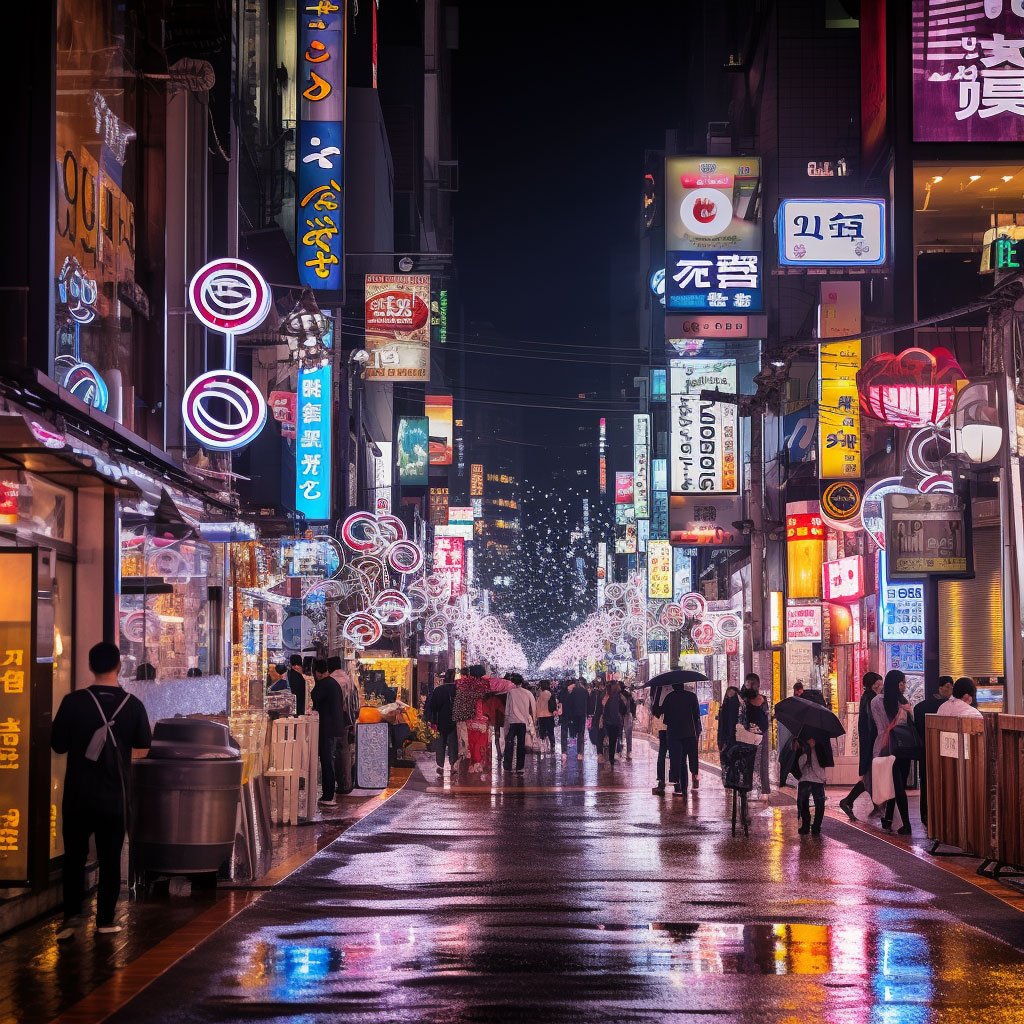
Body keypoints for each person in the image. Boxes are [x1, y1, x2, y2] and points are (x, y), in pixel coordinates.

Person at [51, 642, 152, 941]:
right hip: (115, 796)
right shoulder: (132, 705)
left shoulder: (73, 702)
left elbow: (58, 745)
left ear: (90, 666)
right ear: (119, 667)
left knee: (74, 857)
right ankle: (106, 920)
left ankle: (70, 920)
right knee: (109, 858)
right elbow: (143, 748)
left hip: (78, 795)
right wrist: (118, 754)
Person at [871, 669, 913, 835]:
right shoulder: (903, 702)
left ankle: (900, 823)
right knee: (898, 785)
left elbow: (879, 726)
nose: (904, 685)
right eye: (901, 682)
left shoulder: (876, 702)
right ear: (895, 683)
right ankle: (896, 821)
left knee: (896, 785)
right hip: (903, 747)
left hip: (886, 746)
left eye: (904, 682)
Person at [839, 672, 883, 820]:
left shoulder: (867, 697)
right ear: (874, 684)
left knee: (871, 776)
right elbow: (872, 723)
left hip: (869, 741)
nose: (881, 685)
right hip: (872, 742)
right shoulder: (871, 698)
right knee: (870, 776)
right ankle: (851, 802)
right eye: (879, 682)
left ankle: (851, 802)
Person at [914, 675, 953, 825]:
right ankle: (943, 813)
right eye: (948, 687)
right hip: (944, 751)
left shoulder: (919, 707)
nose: (950, 690)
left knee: (925, 781)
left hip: (925, 750)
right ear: (941, 688)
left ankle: (925, 813)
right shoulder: (948, 706)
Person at [311, 660, 345, 806]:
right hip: (334, 728)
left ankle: (328, 795)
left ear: (319, 673)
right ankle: (328, 793)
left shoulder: (325, 684)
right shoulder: (333, 683)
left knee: (327, 761)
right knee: (328, 760)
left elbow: (315, 696)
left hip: (327, 728)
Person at [659, 682, 702, 796]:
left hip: (674, 734)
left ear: (673, 686)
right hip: (689, 733)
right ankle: (688, 784)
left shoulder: (669, 697)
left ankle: (679, 786)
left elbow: (662, 713)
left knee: (678, 761)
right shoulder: (692, 696)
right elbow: (697, 715)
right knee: (689, 760)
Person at [327, 655, 358, 793]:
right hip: (349, 720)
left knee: (339, 751)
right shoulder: (348, 679)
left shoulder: (334, 680)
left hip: (338, 719)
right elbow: (356, 702)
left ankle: (343, 784)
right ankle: (346, 783)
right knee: (345, 751)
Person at [742, 674, 771, 799]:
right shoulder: (744, 700)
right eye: (748, 684)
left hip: (761, 735)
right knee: (749, 762)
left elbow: (766, 718)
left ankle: (763, 790)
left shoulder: (763, 700)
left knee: (762, 762)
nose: (750, 686)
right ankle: (749, 789)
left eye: (751, 684)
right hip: (748, 736)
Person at [426, 669, 459, 775]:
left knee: (440, 743)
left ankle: (440, 765)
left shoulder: (439, 690)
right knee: (453, 743)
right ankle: (453, 765)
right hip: (454, 720)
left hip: (441, 720)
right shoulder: (458, 689)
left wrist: (432, 720)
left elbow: (433, 706)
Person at [794, 736, 828, 836]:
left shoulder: (818, 748)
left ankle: (809, 826)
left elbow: (802, 765)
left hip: (809, 780)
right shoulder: (805, 749)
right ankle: (813, 827)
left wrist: (811, 750)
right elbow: (803, 764)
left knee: (808, 803)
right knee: (816, 804)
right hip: (812, 780)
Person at [503, 673, 535, 773]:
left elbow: (507, 709)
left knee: (509, 743)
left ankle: (508, 765)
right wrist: (533, 720)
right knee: (521, 745)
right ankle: (520, 767)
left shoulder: (510, 692)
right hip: (523, 722)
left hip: (512, 721)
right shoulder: (527, 693)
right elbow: (532, 707)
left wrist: (506, 723)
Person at [560, 677, 588, 762]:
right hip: (577, 716)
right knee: (579, 734)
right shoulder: (582, 691)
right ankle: (578, 753)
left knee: (567, 733)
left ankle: (565, 752)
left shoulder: (564, 692)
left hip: (571, 716)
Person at [601, 683, 629, 767]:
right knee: (614, 740)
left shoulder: (608, 698)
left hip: (609, 723)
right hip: (617, 723)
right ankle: (612, 758)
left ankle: (610, 757)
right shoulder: (620, 698)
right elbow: (624, 709)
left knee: (610, 740)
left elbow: (604, 709)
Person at [651, 684, 671, 794]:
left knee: (662, 754)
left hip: (664, 726)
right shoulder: (685, 689)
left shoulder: (660, 687)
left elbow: (655, 710)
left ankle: (661, 782)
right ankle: (678, 784)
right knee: (677, 755)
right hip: (678, 727)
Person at [535, 680, 557, 756]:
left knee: (542, 732)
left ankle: (543, 747)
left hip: (540, 716)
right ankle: (552, 746)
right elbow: (553, 705)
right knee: (551, 732)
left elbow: (537, 706)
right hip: (548, 715)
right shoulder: (550, 693)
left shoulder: (539, 695)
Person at [717, 685, 740, 752]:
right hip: (726, 730)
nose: (730, 694)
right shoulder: (726, 704)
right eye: (729, 692)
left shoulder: (734, 704)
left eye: (732, 693)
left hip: (733, 730)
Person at [621, 687, 636, 760]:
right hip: (627, 716)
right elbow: (633, 706)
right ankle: (628, 752)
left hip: (624, 716)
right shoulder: (629, 696)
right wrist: (633, 715)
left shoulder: (621, 696)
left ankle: (622, 751)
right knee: (628, 735)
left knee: (625, 734)